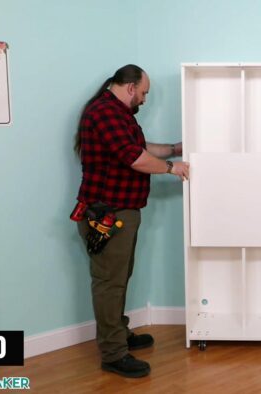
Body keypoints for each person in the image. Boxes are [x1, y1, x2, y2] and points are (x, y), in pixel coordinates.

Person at [73, 64, 189, 377]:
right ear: (130, 87)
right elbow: (134, 157)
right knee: (109, 283)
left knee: (119, 277)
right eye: (144, 92)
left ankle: (119, 334)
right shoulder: (105, 113)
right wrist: (171, 168)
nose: (145, 99)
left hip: (122, 211)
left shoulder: (119, 115)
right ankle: (113, 353)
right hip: (107, 214)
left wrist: (177, 149)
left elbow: (141, 146)